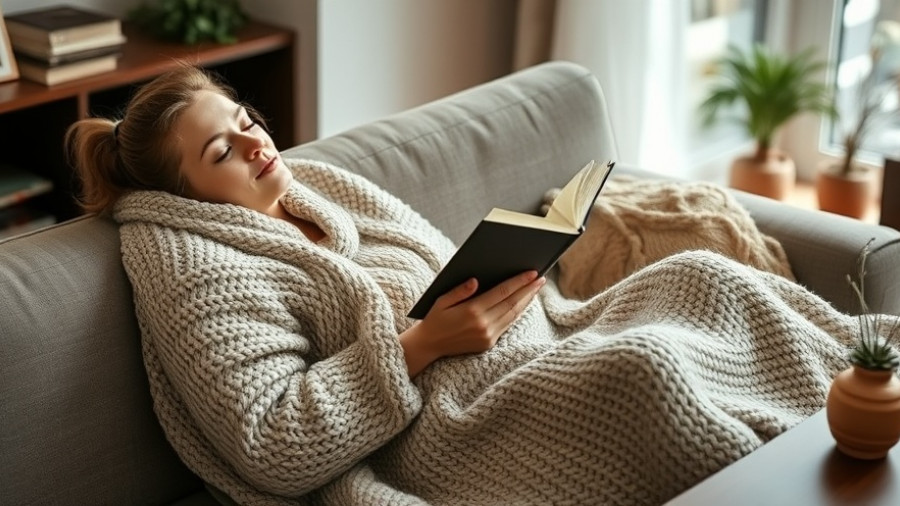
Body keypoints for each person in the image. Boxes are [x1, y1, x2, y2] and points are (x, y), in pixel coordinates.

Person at [65, 63, 862, 506]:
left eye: (242, 120)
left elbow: (439, 262)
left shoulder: (313, 184)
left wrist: (515, 278)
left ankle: (864, 397)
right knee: (643, 374)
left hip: (530, 341)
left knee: (700, 276)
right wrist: (420, 347)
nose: (253, 144)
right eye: (221, 153)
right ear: (187, 198)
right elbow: (272, 440)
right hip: (442, 428)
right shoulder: (193, 270)